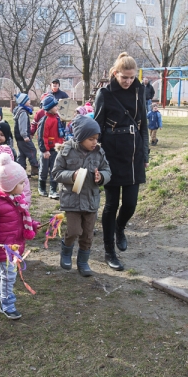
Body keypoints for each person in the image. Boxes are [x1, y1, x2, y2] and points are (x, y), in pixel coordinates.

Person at [94, 52, 149, 271]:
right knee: (111, 204)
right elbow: (96, 127)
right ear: (115, 73)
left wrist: (145, 154)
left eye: (131, 77)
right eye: (124, 77)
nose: (128, 81)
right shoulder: (104, 93)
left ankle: (120, 227)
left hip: (134, 154)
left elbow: (143, 124)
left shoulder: (139, 90)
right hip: (111, 154)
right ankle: (109, 251)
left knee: (130, 203)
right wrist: (96, 159)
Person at [0, 153, 38, 320]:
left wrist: (32, 225)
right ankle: (7, 304)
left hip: (14, 244)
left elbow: (21, 219)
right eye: (21, 183)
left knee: (6, 270)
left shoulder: (16, 199)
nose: (24, 185)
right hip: (2, 247)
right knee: (9, 273)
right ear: (9, 184)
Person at [52, 115, 111, 277]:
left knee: (87, 234)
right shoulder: (66, 151)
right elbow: (56, 173)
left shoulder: (99, 153)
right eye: (91, 139)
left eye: (96, 139)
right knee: (74, 230)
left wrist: (102, 177)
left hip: (91, 200)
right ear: (81, 137)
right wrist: (72, 175)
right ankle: (66, 251)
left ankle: (83, 262)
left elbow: (107, 171)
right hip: (72, 200)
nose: (94, 142)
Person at [36, 94, 65, 199]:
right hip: (47, 151)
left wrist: (61, 143)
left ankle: (53, 190)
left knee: (54, 169)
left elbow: (60, 133)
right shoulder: (45, 120)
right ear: (49, 108)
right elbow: (42, 136)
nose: (57, 108)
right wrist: (44, 150)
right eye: (55, 106)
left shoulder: (57, 118)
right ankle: (41, 187)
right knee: (43, 169)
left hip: (56, 149)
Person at [13, 93, 39, 177]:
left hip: (19, 137)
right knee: (32, 150)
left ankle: (21, 171)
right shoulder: (23, 112)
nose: (29, 101)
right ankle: (34, 167)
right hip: (23, 137)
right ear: (23, 102)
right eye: (28, 100)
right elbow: (22, 125)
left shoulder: (19, 110)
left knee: (22, 153)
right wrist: (25, 136)